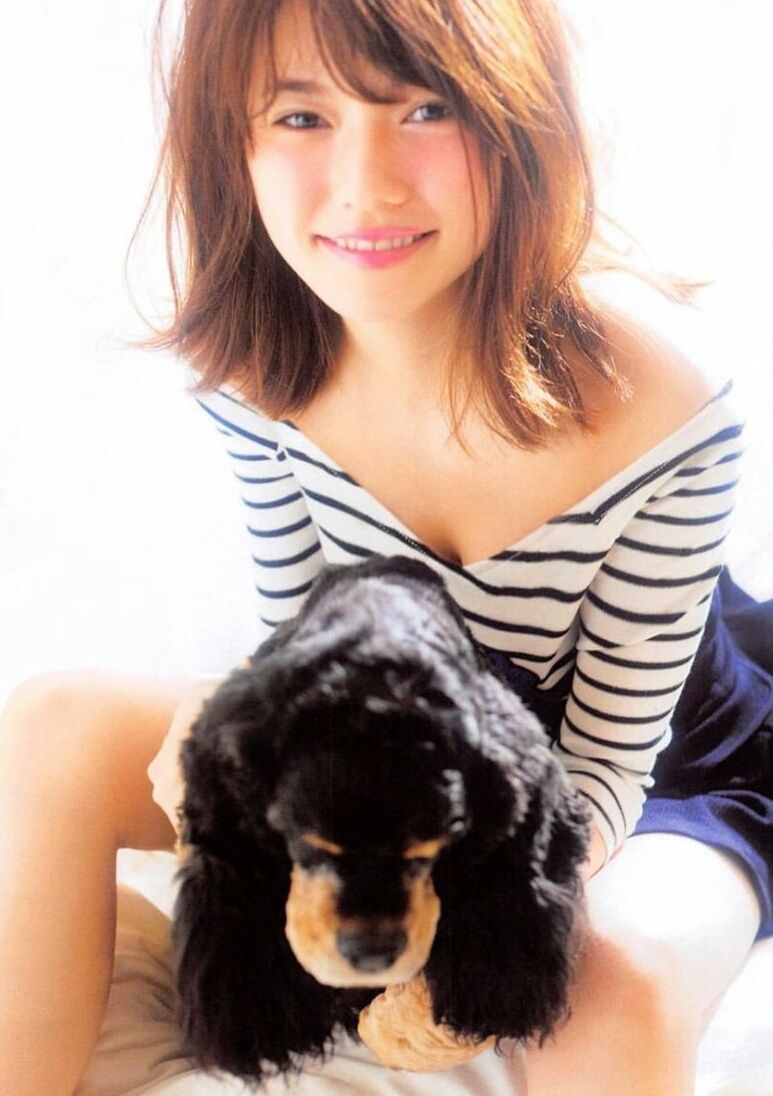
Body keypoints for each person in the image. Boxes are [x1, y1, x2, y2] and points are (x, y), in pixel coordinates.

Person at [1, 0, 770, 1093]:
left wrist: (450, 925)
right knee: (56, 724)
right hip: (402, 741)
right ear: (232, 143)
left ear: (519, 123)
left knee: (617, 975)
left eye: (424, 109)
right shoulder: (261, 374)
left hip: (661, 771)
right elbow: (303, 653)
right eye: (301, 117)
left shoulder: (659, 404)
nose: (366, 185)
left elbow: (607, 764)